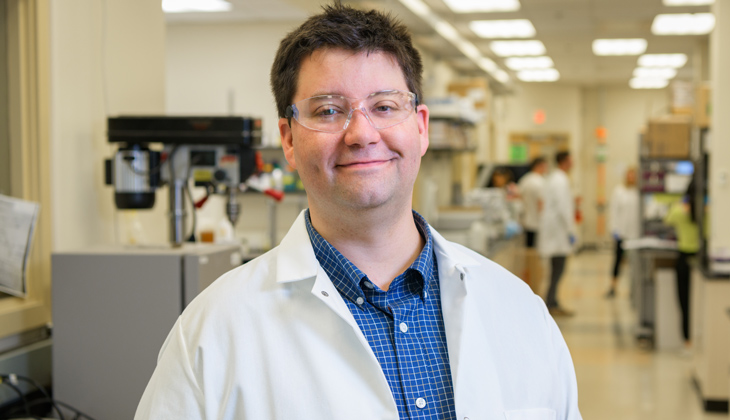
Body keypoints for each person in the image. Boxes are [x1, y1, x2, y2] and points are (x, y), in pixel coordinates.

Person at [134, 4, 582, 420]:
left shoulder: (519, 310)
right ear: (288, 140)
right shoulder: (212, 333)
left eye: (385, 106)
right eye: (329, 110)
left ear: (420, 127)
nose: (361, 133)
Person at [540, 151, 577, 316]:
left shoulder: (555, 178)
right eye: (571, 159)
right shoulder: (560, 179)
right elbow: (563, 208)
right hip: (558, 232)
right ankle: (550, 303)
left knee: (556, 269)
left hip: (555, 231)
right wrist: (571, 230)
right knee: (558, 269)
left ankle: (552, 301)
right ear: (565, 161)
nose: (573, 162)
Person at [664, 179, 700, 350]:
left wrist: (679, 202)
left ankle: (687, 342)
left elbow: (667, 219)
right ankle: (699, 342)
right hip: (699, 259)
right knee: (697, 304)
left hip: (684, 259)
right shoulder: (704, 212)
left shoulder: (679, 211)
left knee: (684, 303)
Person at [605, 166, 640, 298]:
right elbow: (614, 211)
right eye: (629, 175)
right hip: (621, 232)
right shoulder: (619, 191)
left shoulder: (638, 191)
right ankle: (613, 287)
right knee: (618, 260)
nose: (632, 177)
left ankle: (634, 289)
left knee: (634, 262)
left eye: (634, 175)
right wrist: (614, 229)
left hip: (635, 233)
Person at [518, 157, 548, 294]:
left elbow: (517, 198)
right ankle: (534, 285)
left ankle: (527, 282)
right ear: (540, 166)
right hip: (537, 224)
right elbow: (541, 204)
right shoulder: (540, 182)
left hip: (525, 223)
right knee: (535, 257)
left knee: (527, 256)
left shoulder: (525, 180)